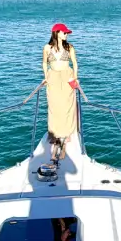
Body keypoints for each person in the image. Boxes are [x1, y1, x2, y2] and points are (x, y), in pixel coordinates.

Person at [43, 22, 79, 161]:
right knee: (54, 106)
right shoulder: (47, 48)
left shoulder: (69, 47)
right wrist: (46, 76)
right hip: (53, 77)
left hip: (67, 76)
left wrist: (75, 77)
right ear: (56, 33)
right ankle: (54, 133)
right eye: (64, 32)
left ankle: (67, 133)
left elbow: (75, 62)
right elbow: (44, 63)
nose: (66, 35)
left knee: (67, 105)